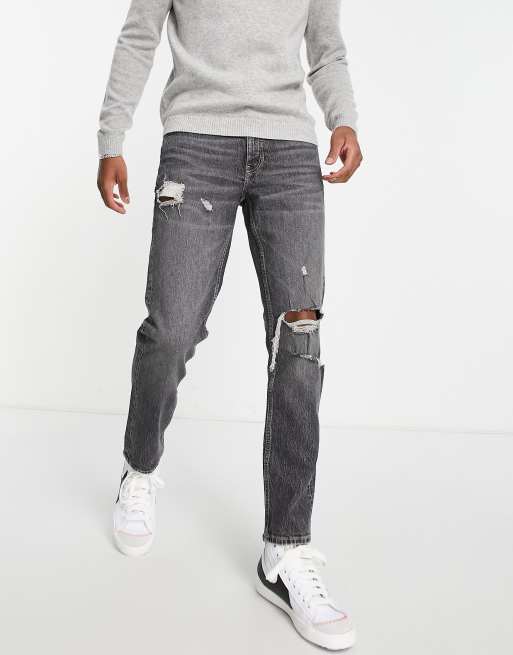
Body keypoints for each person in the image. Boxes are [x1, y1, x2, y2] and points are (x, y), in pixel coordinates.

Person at [97, 0, 362, 649]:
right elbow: (138, 36)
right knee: (171, 328)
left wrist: (343, 117)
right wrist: (111, 139)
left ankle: (284, 550)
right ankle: (139, 467)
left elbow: (325, 45)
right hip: (197, 143)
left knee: (299, 341)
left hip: (289, 151)